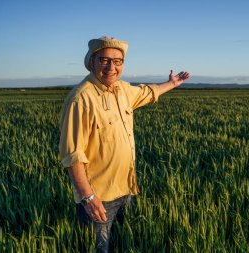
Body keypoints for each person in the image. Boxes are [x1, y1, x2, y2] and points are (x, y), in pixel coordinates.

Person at [59, 36, 190, 252]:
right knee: (97, 249)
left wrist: (172, 83)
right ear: (91, 62)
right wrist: (88, 198)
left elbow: (149, 92)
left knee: (122, 245)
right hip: (98, 197)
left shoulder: (122, 90)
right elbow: (72, 155)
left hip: (126, 190)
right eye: (104, 60)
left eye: (118, 61)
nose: (111, 67)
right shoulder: (80, 99)